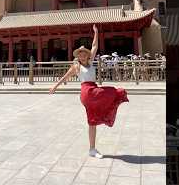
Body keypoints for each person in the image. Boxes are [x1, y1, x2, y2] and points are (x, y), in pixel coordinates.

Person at [49, 24, 129, 158]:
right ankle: (93, 145)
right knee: (113, 93)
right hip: (87, 92)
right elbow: (65, 77)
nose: (82, 56)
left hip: (95, 90)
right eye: (79, 55)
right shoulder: (76, 67)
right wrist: (55, 86)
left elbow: (94, 46)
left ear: (87, 55)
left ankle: (92, 149)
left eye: (83, 54)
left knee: (93, 121)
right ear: (78, 57)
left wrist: (96, 32)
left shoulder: (91, 62)